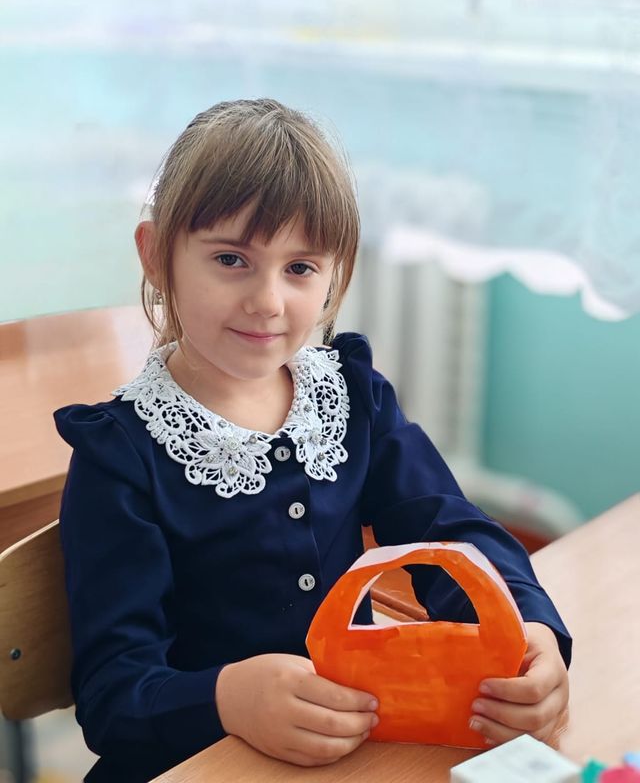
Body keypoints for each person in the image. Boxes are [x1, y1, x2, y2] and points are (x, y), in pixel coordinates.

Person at [54, 98, 571, 783]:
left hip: (351, 753)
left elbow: (451, 529)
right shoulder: (120, 456)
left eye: (300, 268)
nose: (268, 301)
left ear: (334, 274)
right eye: (231, 259)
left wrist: (530, 632)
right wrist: (227, 699)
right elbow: (114, 695)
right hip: (191, 764)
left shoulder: (351, 397)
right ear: (155, 255)